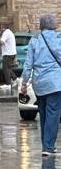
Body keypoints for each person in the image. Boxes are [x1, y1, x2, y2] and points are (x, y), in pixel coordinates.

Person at [20, 14, 61, 156]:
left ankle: (47, 144)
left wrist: (24, 83)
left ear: (41, 25)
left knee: (43, 113)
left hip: (39, 83)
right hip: (56, 82)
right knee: (53, 114)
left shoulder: (34, 40)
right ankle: (48, 146)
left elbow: (28, 64)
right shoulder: (58, 39)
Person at [0, 22, 17, 86]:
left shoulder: (6, 33)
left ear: (4, 27)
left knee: (5, 69)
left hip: (8, 54)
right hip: (11, 53)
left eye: (1, 27)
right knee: (8, 68)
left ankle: (8, 83)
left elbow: (2, 42)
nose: (0, 29)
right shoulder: (10, 32)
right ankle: (15, 79)